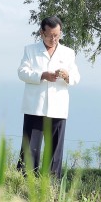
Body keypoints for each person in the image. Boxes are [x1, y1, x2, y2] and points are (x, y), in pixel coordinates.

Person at [17, 15, 80, 180]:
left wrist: (67, 76)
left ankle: (51, 184)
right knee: (30, 147)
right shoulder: (30, 50)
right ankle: (26, 181)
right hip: (34, 106)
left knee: (55, 148)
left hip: (58, 108)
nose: (54, 39)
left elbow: (76, 76)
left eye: (57, 35)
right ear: (41, 33)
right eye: (50, 35)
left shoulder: (68, 52)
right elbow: (22, 72)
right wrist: (42, 75)